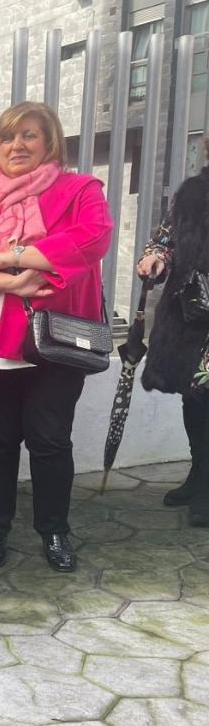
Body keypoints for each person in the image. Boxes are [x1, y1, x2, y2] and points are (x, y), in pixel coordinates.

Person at [0, 102, 113, 572]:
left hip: (53, 342)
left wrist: (5, 253)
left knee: (50, 441)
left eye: (30, 136)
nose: (18, 146)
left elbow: (92, 238)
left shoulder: (79, 190)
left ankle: (54, 532)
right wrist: (12, 278)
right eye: (9, 138)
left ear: (49, 142)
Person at [137, 138, 209, 525]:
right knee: (194, 395)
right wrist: (155, 259)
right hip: (190, 312)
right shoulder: (192, 193)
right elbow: (164, 241)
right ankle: (199, 472)